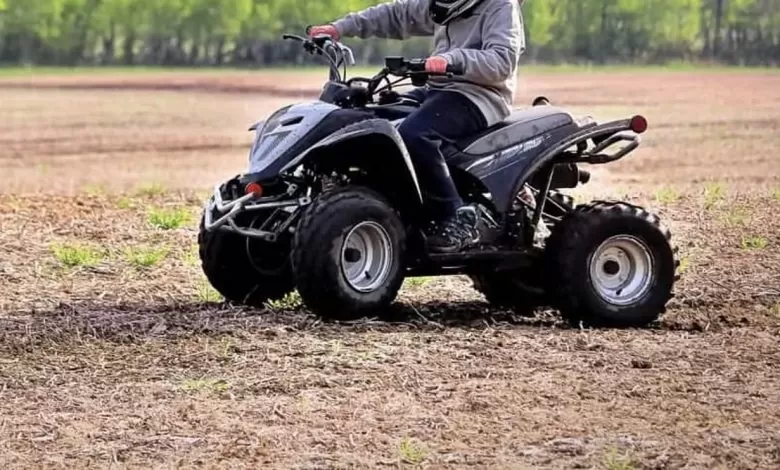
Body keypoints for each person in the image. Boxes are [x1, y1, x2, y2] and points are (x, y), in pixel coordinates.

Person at [309, 0, 525, 253]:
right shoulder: (444, 4)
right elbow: (397, 14)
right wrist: (339, 28)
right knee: (368, 121)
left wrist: (451, 60)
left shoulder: (500, 6)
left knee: (415, 135)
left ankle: (455, 219)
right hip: (437, 88)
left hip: (479, 96)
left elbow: (502, 61)